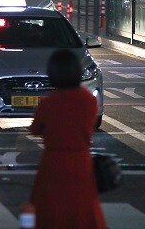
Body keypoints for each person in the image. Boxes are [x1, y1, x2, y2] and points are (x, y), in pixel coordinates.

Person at [29, 49, 106, 229]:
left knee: (51, 210)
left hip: (53, 161)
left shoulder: (48, 103)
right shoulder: (88, 100)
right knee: (81, 208)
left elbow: (35, 129)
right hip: (81, 160)